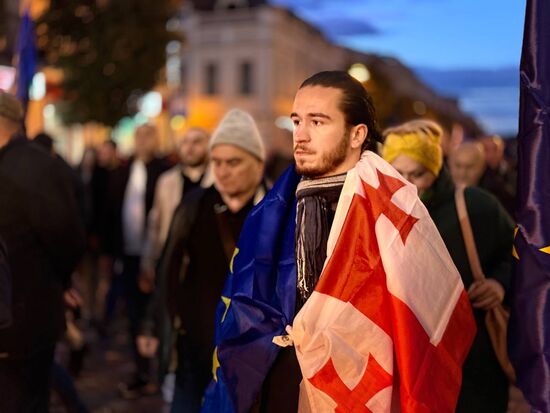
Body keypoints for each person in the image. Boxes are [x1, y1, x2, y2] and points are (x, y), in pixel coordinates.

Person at [202, 72, 476, 413]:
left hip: (362, 392)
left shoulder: (393, 208)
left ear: (356, 134)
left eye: (318, 122)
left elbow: (428, 315)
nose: (300, 135)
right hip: (281, 390)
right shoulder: (273, 210)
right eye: (297, 121)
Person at [138, 109, 268, 412]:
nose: (222, 171)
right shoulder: (195, 205)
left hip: (252, 350)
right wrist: (151, 324)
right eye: (218, 162)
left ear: (258, 163)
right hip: (195, 346)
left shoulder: (275, 211)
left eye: (233, 162)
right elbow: (169, 269)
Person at [382, 119, 514, 412]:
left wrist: (499, 284)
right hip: (408, 361)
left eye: (418, 174)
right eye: (398, 173)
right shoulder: (379, 213)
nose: (408, 183)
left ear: (436, 169)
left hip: (473, 364)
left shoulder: (474, 206)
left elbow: (520, 255)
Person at [0, 91, 86, 411]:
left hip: (25, 320)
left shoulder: (36, 168)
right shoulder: (39, 166)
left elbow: (67, 239)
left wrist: (59, 281)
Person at [105, 123, 169, 398]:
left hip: (157, 255)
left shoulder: (164, 171)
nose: (143, 141)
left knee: (157, 314)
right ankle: (141, 370)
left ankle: (162, 371)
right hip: (128, 254)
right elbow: (111, 208)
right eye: (139, 137)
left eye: (148, 136)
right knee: (133, 313)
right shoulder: (123, 170)